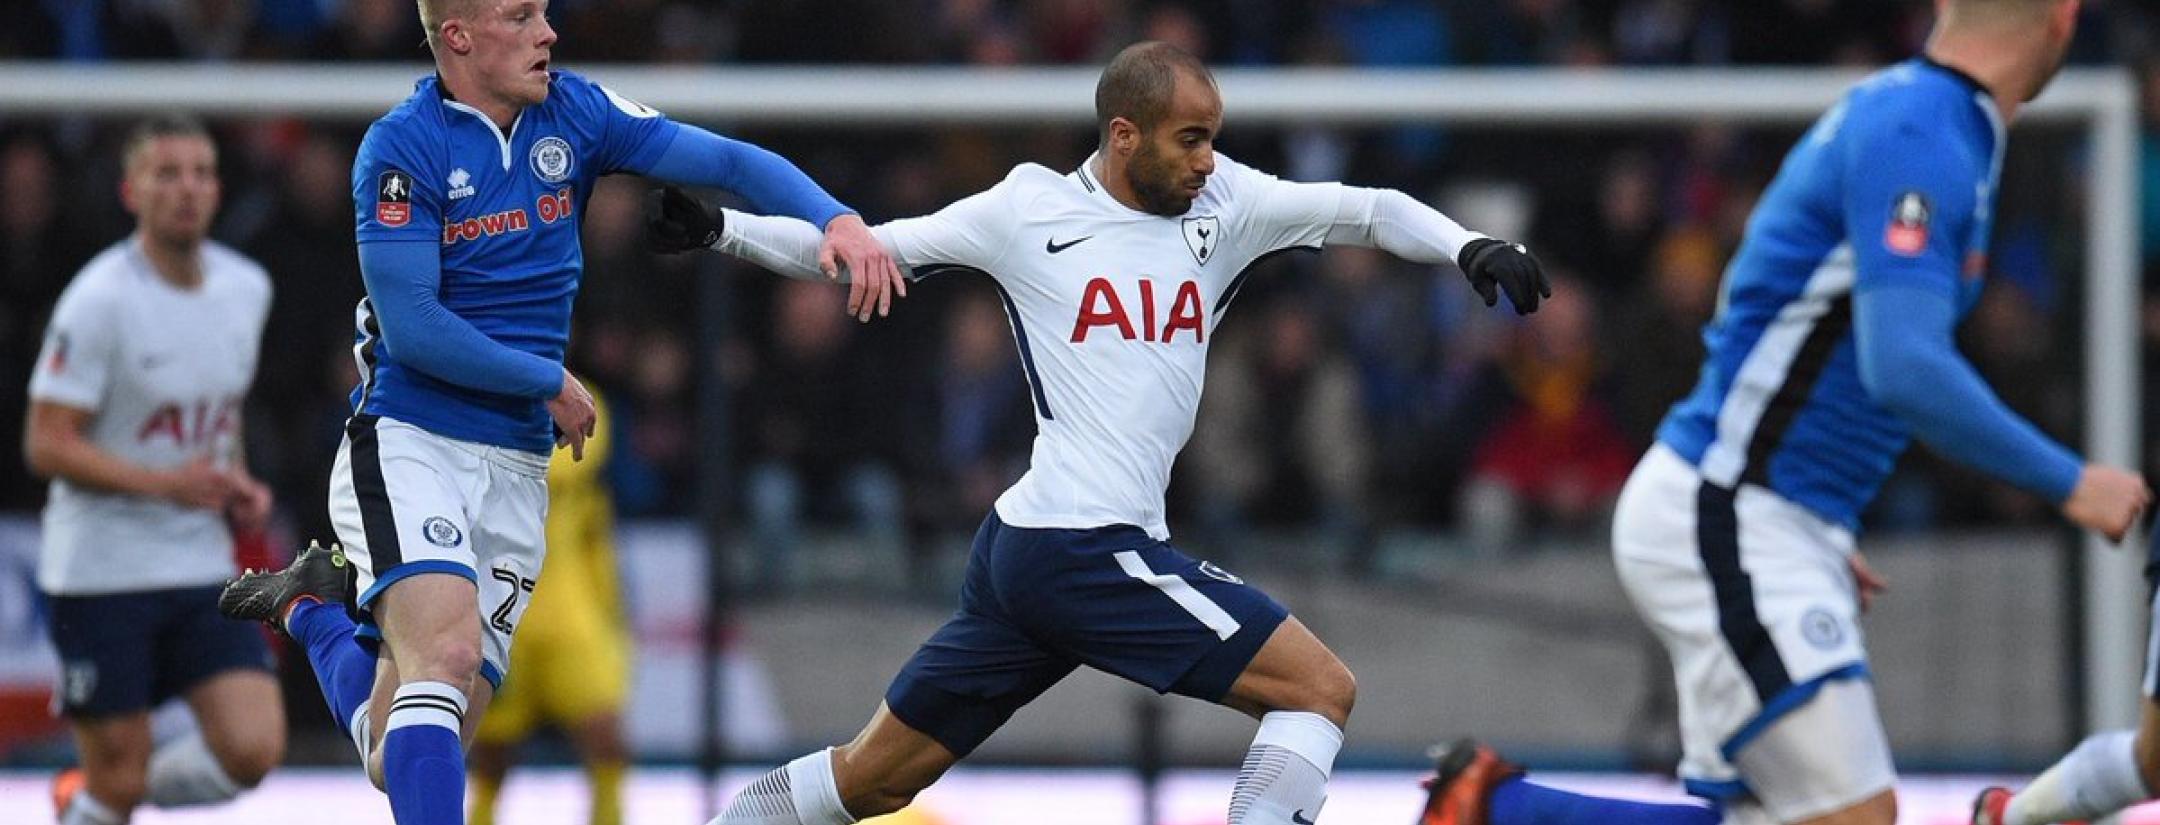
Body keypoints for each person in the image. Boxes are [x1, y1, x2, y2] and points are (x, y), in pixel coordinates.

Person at [648, 40, 1551, 825]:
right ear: (1125, 136)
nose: (1207, 159)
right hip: (1081, 545)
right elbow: (862, 248)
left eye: (1214, 137)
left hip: (1030, 549)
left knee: (875, 777)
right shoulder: (1025, 212)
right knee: (1319, 689)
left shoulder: (1226, 203)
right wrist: (724, 230)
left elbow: (1366, 207)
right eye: (1189, 138)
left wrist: (1467, 244)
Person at [1413, 2, 2154, 825]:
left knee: (1788, 817)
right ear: (2063, 18)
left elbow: (1768, 316)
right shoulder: (1923, 128)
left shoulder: (1922, 118)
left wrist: (1816, 507)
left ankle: (1494, 807)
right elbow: (1903, 365)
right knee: (1855, 817)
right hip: (1735, 513)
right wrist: (2071, 479)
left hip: (1759, 509)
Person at [213, 2, 902, 825]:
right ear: (459, 37)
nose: (549, 32)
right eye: (522, 16)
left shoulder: (575, 112)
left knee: (401, 749)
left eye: (544, 12)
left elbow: (726, 157)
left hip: (515, 462)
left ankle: (315, 612)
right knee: (448, 654)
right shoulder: (400, 148)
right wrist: (542, 377)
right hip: (409, 438)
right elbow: (413, 325)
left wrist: (836, 217)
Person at [28, 114, 282, 825]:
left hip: (199, 561)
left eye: (201, 172)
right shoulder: (99, 299)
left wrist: (238, 480)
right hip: (101, 570)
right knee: (118, 775)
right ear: (130, 191)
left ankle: (101, 792)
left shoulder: (246, 288)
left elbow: (218, 413)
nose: (187, 189)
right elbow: (46, 442)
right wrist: (169, 485)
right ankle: (102, 795)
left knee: (253, 747)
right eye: (166, 174)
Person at [468, 391, 631, 825]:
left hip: (572, 611)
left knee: (606, 738)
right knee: (491, 754)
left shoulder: (587, 398)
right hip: (504, 610)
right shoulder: (477, 393)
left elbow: (571, 461)